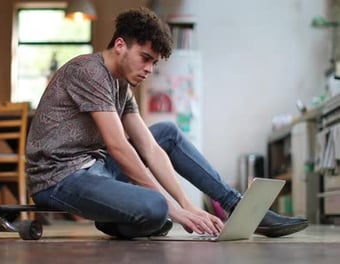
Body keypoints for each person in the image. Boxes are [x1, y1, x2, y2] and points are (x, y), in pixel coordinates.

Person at [26, 7, 308, 238]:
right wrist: (175, 209)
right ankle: (125, 216)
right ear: (120, 45)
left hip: (96, 170)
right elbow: (119, 147)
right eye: (145, 58)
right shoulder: (88, 71)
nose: (149, 69)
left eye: (154, 63)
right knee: (157, 208)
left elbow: (149, 147)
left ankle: (236, 205)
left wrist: (187, 206)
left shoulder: (122, 85)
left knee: (167, 134)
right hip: (59, 179)